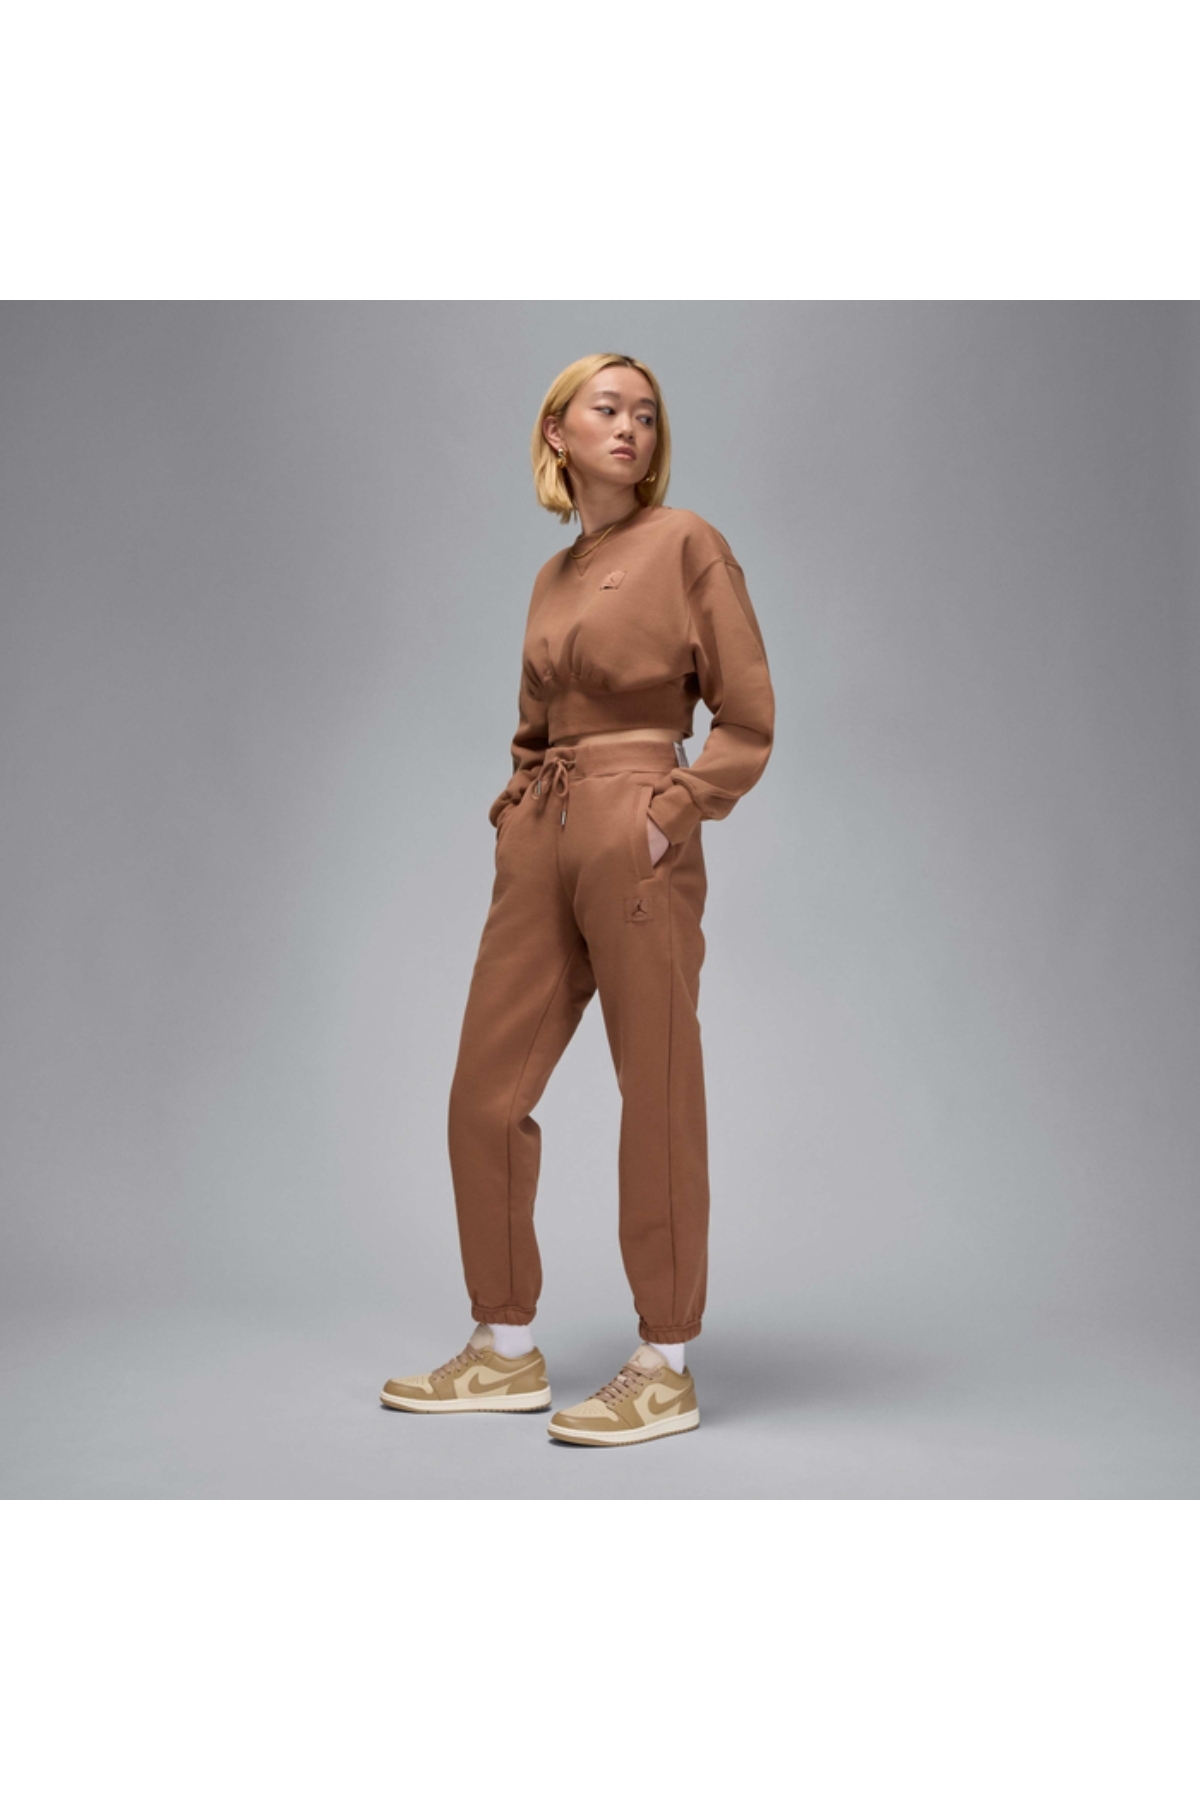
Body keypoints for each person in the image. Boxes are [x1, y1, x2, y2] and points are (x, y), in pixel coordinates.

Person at [380, 352, 775, 1447]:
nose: (630, 428)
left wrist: (671, 809)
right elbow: (532, 726)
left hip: (635, 824)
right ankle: (503, 1347)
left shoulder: (687, 542)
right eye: (607, 409)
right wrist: (517, 813)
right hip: (544, 830)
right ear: (558, 431)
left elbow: (748, 716)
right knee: (484, 1093)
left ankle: (665, 1363)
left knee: (656, 1091)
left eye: (646, 413)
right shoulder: (551, 578)